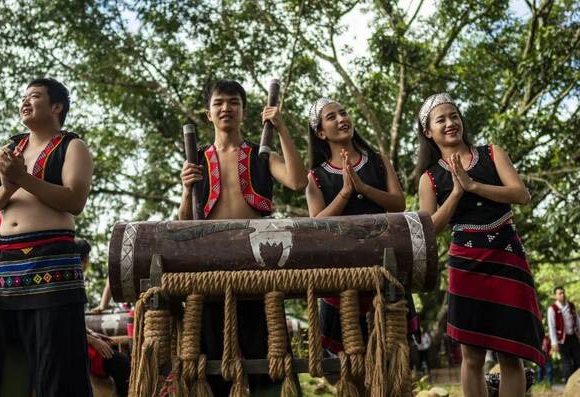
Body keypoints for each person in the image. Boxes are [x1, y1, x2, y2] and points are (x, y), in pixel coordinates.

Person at [179, 79, 308, 394]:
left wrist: (280, 127)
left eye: (233, 102)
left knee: (267, 346)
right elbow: (184, 222)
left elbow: (297, 180)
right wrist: (185, 189)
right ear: (209, 113)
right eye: (219, 103)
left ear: (244, 110)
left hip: (258, 261)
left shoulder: (260, 154)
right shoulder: (196, 158)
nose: (226, 108)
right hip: (211, 264)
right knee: (212, 351)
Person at [0, 78, 94, 397]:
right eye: (23, 97)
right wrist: (9, 187)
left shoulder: (73, 145)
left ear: (57, 107)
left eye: (35, 96)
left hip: (53, 265)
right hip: (5, 271)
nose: (26, 101)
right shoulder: (11, 149)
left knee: (57, 367)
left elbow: (74, 200)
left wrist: (22, 178)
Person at [416, 92, 544, 397]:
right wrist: (458, 193)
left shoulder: (492, 153)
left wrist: (473, 185)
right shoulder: (429, 178)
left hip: (505, 253)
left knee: (509, 352)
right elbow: (430, 227)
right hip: (465, 262)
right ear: (428, 132)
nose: (450, 123)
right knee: (471, 354)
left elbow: (521, 194)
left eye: (454, 116)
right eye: (441, 120)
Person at [304, 97, 418, 365]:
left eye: (343, 113)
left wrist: (364, 189)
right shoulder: (315, 176)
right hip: (342, 276)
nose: (342, 119)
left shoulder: (378, 161)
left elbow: (399, 204)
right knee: (351, 363)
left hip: (385, 268)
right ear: (320, 133)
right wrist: (345, 192)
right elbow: (316, 225)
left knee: (392, 360)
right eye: (331, 117)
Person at [76, 238, 130, 397]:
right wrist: (93, 340)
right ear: (84, 260)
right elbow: (66, 324)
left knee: (116, 355)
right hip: (77, 345)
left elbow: (74, 321)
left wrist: (93, 334)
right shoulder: (72, 281)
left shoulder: (76, 280)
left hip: (81, 339)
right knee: (121, 363)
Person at [547, 286, 580, 383]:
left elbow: (577, 320)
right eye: (560, 293)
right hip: (562, 340)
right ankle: (568, 385)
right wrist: (554, 343)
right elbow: (551, 326)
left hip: (573, 337)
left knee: (578, 360)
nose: (562, 295)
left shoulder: (571, 306)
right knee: (567, 364)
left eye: (563, 293)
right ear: (555, 296)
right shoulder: (552, 309)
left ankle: (577, 386)